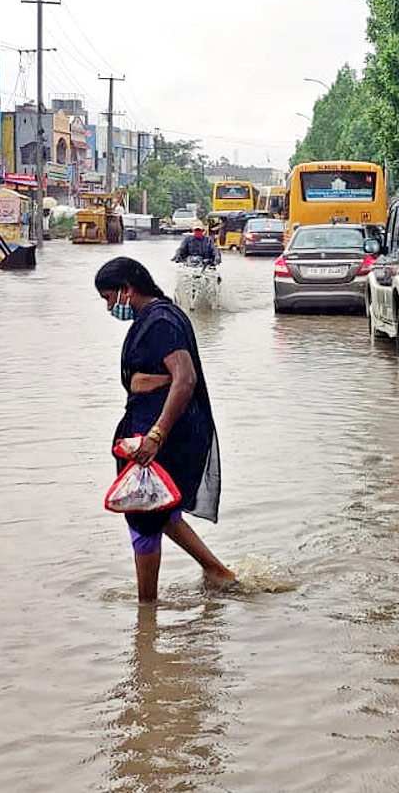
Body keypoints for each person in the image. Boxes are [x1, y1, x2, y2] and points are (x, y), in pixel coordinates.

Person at [95, 257, 235, 602]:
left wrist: (156, 435)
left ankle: (147, 608)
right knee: (158, 507)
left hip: (162, 433)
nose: (110, 307)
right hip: (151, 427)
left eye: (109, 297)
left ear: (127, 289)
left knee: (141, 509)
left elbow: (184, 379)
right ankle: (218, 573)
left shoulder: (160, 321)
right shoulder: (154, 318)